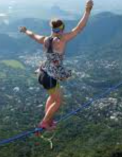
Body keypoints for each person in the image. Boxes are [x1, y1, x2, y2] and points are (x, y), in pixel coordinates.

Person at [20, 0, 94, 130]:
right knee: (58, 101)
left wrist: (25, 31)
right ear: (62, 29)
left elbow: (33, 35)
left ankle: (47, 121)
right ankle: (44, 123)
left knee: (52, 97)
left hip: (43, 74)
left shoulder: (44, 39)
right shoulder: (62, 39)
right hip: (50, 76)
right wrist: (87, 11)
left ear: (52, 29)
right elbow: (79, 28)